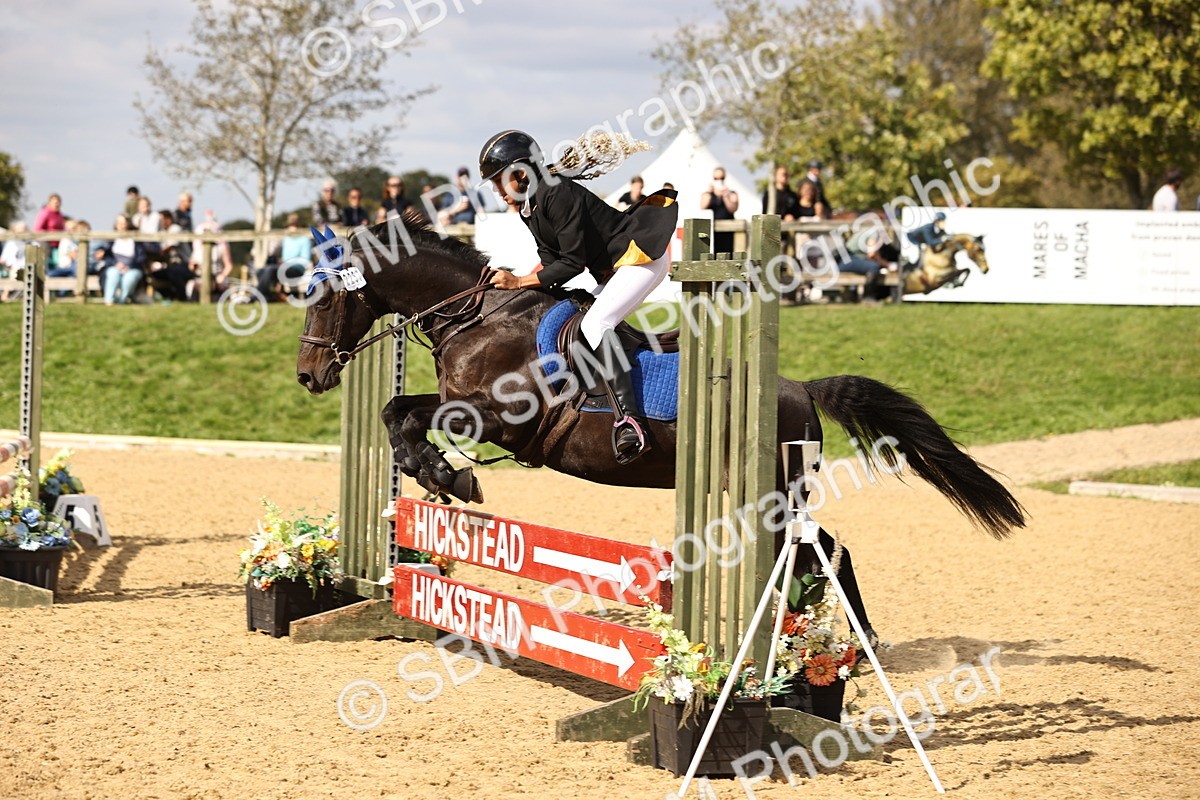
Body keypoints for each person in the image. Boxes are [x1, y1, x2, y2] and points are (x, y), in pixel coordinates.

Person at [479, 129, 679, 464]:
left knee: (596, 323)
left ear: (520, 173)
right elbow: (552, 260)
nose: (497, 191)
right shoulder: (530, 207)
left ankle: (632, 421)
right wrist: (514, 287)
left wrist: (518, 283)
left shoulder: (558, 195)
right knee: (577, 321)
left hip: (640, 260)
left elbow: (571, 264)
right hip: (615, 268)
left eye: (498, 181)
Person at [258, 213, 313, 299]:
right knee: (261, 270)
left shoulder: (305, 240)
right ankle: (267, 295)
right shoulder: (286, 239)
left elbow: (305, 260)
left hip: (296, 269)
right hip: (283, 267)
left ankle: (259, 296)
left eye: (294, 225)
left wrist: (288, 262)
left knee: (270, 269)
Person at [104, 214, 143, 304]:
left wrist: (129, 266)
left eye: (123, 223)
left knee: (129, 278)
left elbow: (141, 257)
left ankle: (122, 300)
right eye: (119, 223)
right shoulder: (112, 239)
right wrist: (115, 264)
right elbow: (107, 256)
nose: (121, 225)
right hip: (115, 266)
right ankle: (109, 300)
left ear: (128, 224)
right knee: (112, 273)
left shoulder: (136, 240)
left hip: (132, 267)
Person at [701, 167, 738, 253]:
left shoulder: (731, 193)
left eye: (721, 178)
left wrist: (725, 195)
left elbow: (732, 209)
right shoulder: (709, 194)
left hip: (728, 231)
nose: (718, 181)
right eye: (716, 178)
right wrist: (709, 192)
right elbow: (703, 206)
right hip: (712, 230)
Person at [34, 194, 66, 266]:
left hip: (57, 242)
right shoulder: (44, 213)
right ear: (49, 203)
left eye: (58, 202)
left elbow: (62, 228)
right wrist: (50, 234)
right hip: (46, 242)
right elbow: (37, 228)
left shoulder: (59, 214)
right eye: (55, 202)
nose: (57, 204)